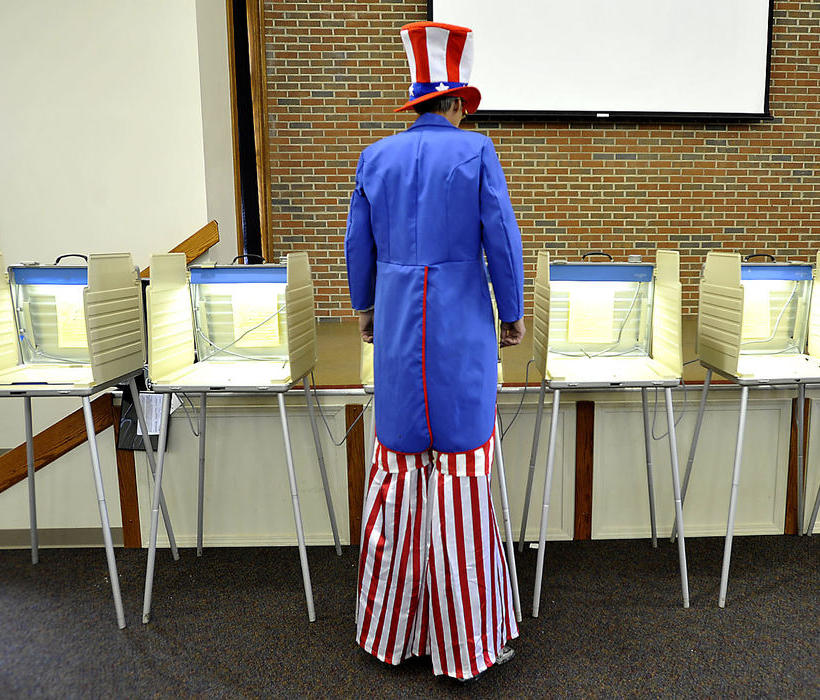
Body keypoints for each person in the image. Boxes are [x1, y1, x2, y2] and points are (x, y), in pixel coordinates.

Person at [344, 21, 525, 682]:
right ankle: (466, 643)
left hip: (395, 333)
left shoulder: (374, 157)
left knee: (399, 476)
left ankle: (393, 632)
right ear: (456, 103)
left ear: (417, 101)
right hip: (460, 333)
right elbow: (501, 240)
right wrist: (511, 315)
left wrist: (365, 310)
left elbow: (355, 246)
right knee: (461, 480)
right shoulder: (477, 154)